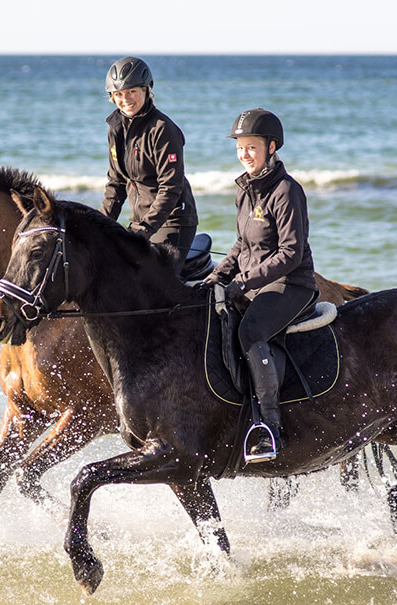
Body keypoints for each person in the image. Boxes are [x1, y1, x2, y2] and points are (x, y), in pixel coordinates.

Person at [203, 108, 319, 461]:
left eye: (251, 147)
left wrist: (242, 283)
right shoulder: (246, 191)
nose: (244, 154)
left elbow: (290, 253)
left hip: (291, 285)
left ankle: (270, 428)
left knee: (251, 331)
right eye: (240, 147)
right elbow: (241, 245)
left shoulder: (286, 191)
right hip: (256, 285)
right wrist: (215, 278)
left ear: (271, 147)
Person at [101, 56, 198, 262]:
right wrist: (99, 224)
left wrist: (145, 229)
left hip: (172, 221)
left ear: (146, 89)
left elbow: (170, 187)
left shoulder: (162, 129)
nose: (125, 99)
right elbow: (116, 183)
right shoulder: (116, 129)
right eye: (118, 94)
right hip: (139, 223)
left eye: (131, 92)